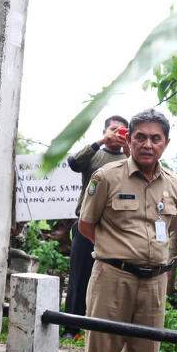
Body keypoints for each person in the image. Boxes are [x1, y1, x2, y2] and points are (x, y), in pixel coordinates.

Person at [78, 109, 177, 352]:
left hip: (154, 286)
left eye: (155, 138)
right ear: (129, 140)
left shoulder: (174, 185)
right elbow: (86, 225)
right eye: (140, 137)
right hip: (112, 279)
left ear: (165, 143)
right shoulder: (106, 177)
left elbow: (172, 231)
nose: (147, 144)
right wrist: (118, 250)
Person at [61, 115, 129, 340]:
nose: (117, 133)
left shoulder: (130, 159)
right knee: (79, 276)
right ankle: (72, 328)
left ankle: (101, 329)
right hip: (85, 224)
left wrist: (129, 148)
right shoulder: (95, 154)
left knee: (110, 278)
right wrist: (100, 141)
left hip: (115, 229)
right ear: (105, 131)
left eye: (123, 130)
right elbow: (73, 163)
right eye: (113, 129)